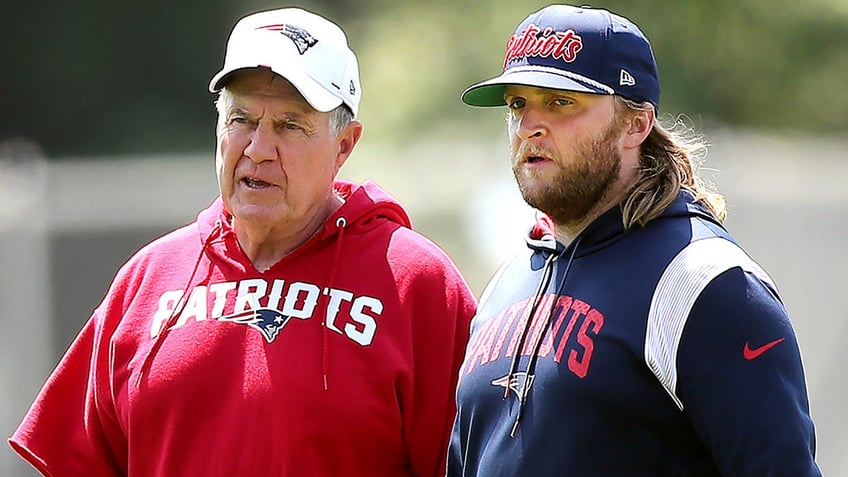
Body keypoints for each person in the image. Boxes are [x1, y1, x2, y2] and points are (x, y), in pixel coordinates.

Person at [9, 7, 476, 476]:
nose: (257, 148)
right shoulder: (149, 278)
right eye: (242, 120)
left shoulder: (417, 283)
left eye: (290, 126)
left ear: (344, 146)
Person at [447, 4, 821, 476]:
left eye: (561, 102)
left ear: (636, 124)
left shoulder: (705, 282)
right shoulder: (508, 282)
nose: (529, 126)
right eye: (518, 104)